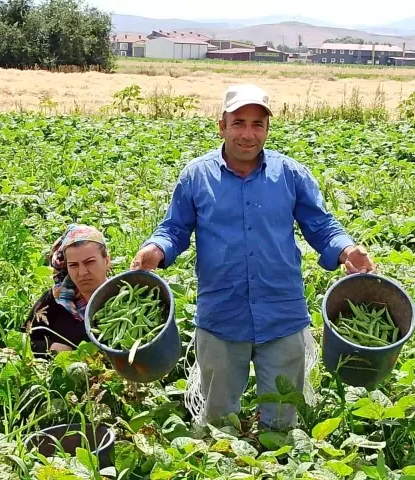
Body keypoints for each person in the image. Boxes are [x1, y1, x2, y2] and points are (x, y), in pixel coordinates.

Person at [130, 83, 375, 430]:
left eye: (257, 124)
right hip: (221, 313)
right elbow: (175, 229)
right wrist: (155, 249)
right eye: (239, 123)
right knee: (219, 422)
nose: (248, 134)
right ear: (222, 126)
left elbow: (321, 226)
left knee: (281, 419)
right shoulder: (197, 177)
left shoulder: (290, 175)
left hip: (281, 312)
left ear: (267, 129)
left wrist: (348, 249)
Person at [24, 224, 111, 355]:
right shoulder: (55, 298)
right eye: (73, 265)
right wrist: (52, 348)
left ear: (107, 261)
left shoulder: (122, 297)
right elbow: (24, 339)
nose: (82, 272)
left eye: (90, 262)